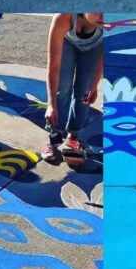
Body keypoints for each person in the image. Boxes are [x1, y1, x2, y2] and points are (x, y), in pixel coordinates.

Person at [41, 13, 104, 164]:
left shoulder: (109, 19)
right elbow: (54, 66)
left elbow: (104, 55)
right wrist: (51, 105)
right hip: (67, 40)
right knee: (63, 87)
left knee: (85, 91)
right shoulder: (64, 16)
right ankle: (54, 138)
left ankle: (73, 137)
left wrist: (94, 83)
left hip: (95, 45)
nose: (102, 15)